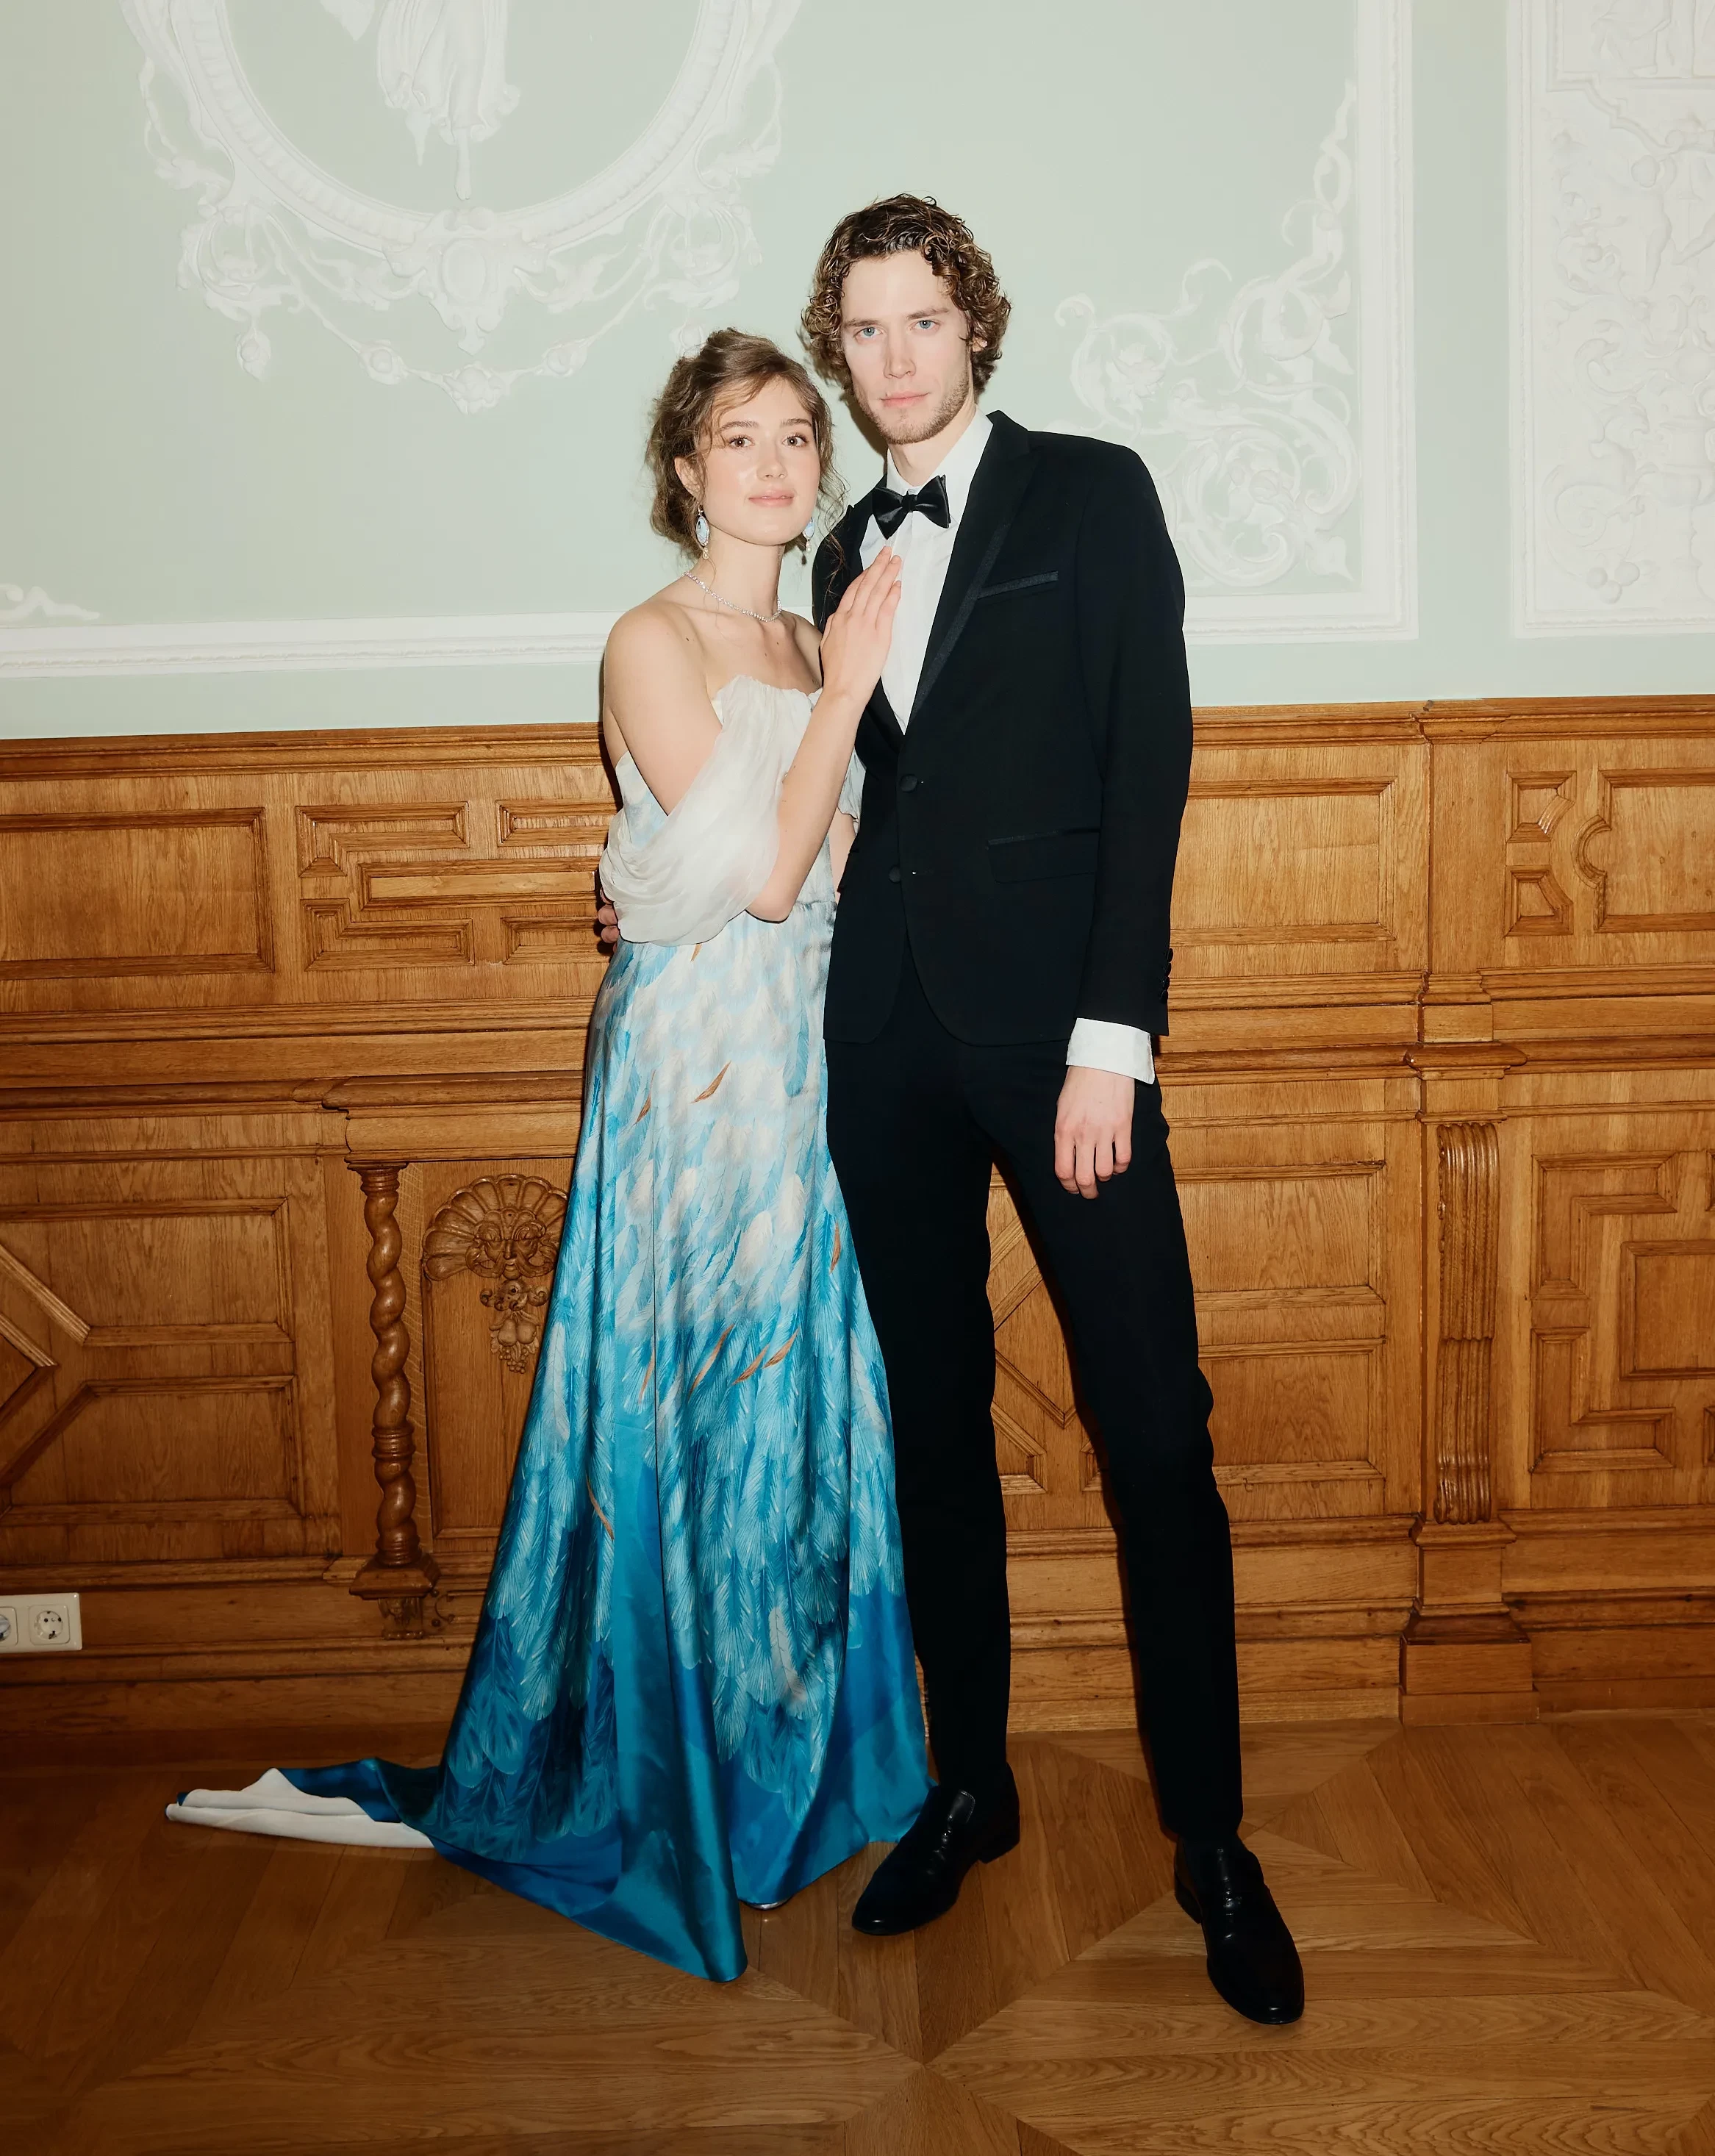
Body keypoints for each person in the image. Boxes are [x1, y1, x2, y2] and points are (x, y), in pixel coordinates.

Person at [166, 331, 929, 1985]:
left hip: (806, 1059)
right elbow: (773, 873)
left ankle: (780, 1774)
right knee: (681, 1391)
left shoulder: (817, 631)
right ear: (686, 469)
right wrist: (828, 723)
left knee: (788, 1401)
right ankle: (662, 1786)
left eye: (797, 436)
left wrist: (800, 756)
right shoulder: (652, 638)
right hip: (692, 1071)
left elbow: (837, 860)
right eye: (740, 437)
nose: (776, 464)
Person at [798, 196, 1305, 2027]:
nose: (895, 356)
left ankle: (1211, 1841)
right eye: (864, 328)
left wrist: (1115, 1036)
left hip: (1059, 1047)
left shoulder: (1090, 493)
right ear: (839, 350)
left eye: (922, 320)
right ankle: (971, 1785)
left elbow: (1142, 759)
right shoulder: (835, 547)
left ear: (975, 328)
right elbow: (852, 797)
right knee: (932, 1431)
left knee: (1154, 1431)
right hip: (885, 1044)